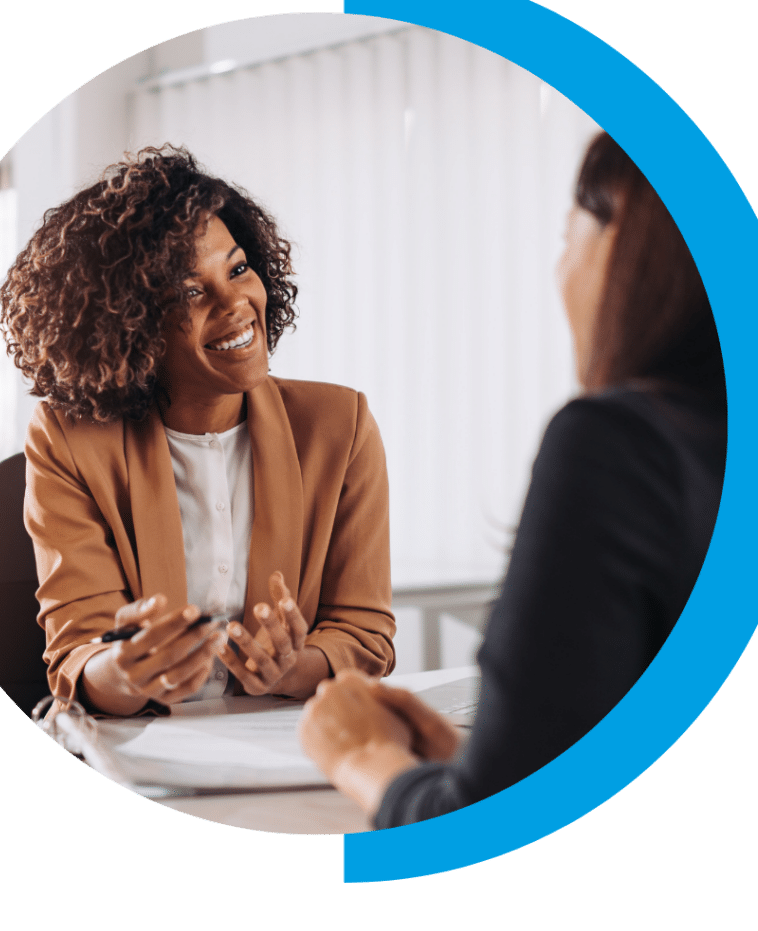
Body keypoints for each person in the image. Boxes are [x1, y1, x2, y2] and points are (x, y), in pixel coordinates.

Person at [299, 132, 727, 826]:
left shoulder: (617, 442)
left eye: (568, 235)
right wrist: (483, 755)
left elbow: (494, 830)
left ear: (635, 248)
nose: (560, 267)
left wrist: (357, 756)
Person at [0, 147, 395, 716]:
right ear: (129, 324)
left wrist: (290, 667)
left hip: (285, 751)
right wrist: (131, 670)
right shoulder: (69, 440)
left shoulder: (340, 426)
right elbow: (78, 658)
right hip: (139, 759)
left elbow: (365, 635)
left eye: (237, 269)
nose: (236, 304)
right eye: (190, 291)